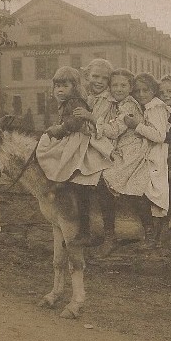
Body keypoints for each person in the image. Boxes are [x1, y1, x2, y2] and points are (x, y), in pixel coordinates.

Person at [35, 66, 108, 246]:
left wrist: (59, 128)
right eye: (57, 86)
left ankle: (85, 228)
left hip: (80, 142)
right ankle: (58, 180)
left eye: (64, 85)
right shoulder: (68, 102)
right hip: (74, 141)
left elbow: (75, 123)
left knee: (78, 179)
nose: (60, 90)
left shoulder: (75, 102)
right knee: (49, 149)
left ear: (74, 86)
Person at [102, 71, 169, 246]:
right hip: (133, 148)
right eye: (115, 85)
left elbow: (116, 130)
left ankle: (146, 230)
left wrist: (96, 124)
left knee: (122, 182)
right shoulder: (130, 104)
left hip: (141, 151)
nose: (141, 95)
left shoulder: (141, 107)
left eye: (123, 85)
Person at [73, 59, 118, 246]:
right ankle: (84, 230)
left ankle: (110, 235)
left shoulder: (110, 101)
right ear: (87, 76)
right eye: (95, 76)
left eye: (104, 78)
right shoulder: (87, 97)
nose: (99, 81)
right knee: (78, 184)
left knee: (103, 185)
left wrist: (90, 118)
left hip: (105, 148)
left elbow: (109, 128)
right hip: (88, 147)